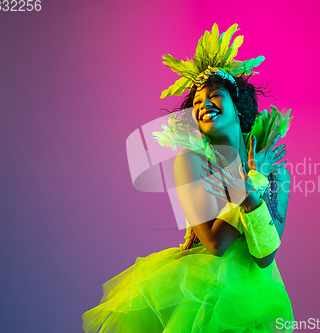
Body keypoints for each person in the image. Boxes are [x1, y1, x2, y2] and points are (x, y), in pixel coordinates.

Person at [82, 23, 294, 333]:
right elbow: (214, 243)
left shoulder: (275, 169)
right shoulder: (191, 161)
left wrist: (251, 187)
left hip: (257, 298)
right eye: (196, 102)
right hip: (199, 294)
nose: (203, 104)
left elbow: (265, 255)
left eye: (214, 95)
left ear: (237, 105)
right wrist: (247, 185)